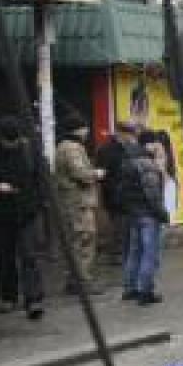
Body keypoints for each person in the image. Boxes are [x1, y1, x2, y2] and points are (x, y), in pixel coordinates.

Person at [0, 117, 45, 319]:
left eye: (13, 141)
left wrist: (38, 203)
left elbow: (41, 178)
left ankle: (33, 300)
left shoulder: (30, 150)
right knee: (4, 257)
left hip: (27, 212)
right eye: (7, 141)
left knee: (29, 256)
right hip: (0, 213)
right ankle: (8, 297)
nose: (11, 144)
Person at [54, 112, 107, 294]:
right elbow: (79, 173)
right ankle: (83, 282)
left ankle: (73, 280)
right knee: (85, 240)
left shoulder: (65, 146)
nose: (87, 131)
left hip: (73, 202)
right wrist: (96, 174)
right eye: (84, 127)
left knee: (76, 241)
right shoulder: (72, 148)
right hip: (78, 203)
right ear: (77, 129)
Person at [117, 124, 168, 305]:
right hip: (148, 214)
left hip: (133, 213)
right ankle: (145, 291)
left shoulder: (128, 160)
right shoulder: (146, 163)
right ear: (149, 144)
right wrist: (162, 214)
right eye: (155, 143)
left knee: (134, 251)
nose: (157, 147)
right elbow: (153, 194)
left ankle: (130, 288)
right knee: (149, 253)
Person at [95, 122, 132, 265]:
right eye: (127, 133)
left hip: (126, 193)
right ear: (119, 133)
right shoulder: (106, 150)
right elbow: (102, 173)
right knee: (118, 225)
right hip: (114, 194)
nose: (129, 137)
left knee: (125, 225)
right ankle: (117, 254)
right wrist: (113, 188)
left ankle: (123, 253)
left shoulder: (126, 148)